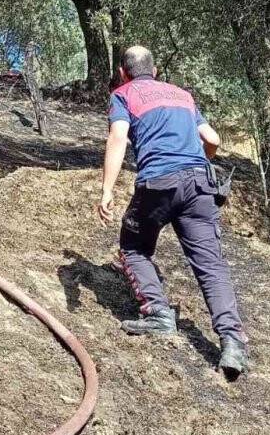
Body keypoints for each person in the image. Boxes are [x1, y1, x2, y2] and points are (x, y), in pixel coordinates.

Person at [97, 45, 249, 378]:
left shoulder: (123, 94)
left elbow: (118, 137)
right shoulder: (182, 95)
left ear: (123, 72)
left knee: (134, 247)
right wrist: (198, 162)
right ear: (156, 70)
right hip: (199, 186)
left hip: (158, 184)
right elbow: (213, 139)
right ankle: (232, 342)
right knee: (210, 264)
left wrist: (107, 189)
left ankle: (158, 315)